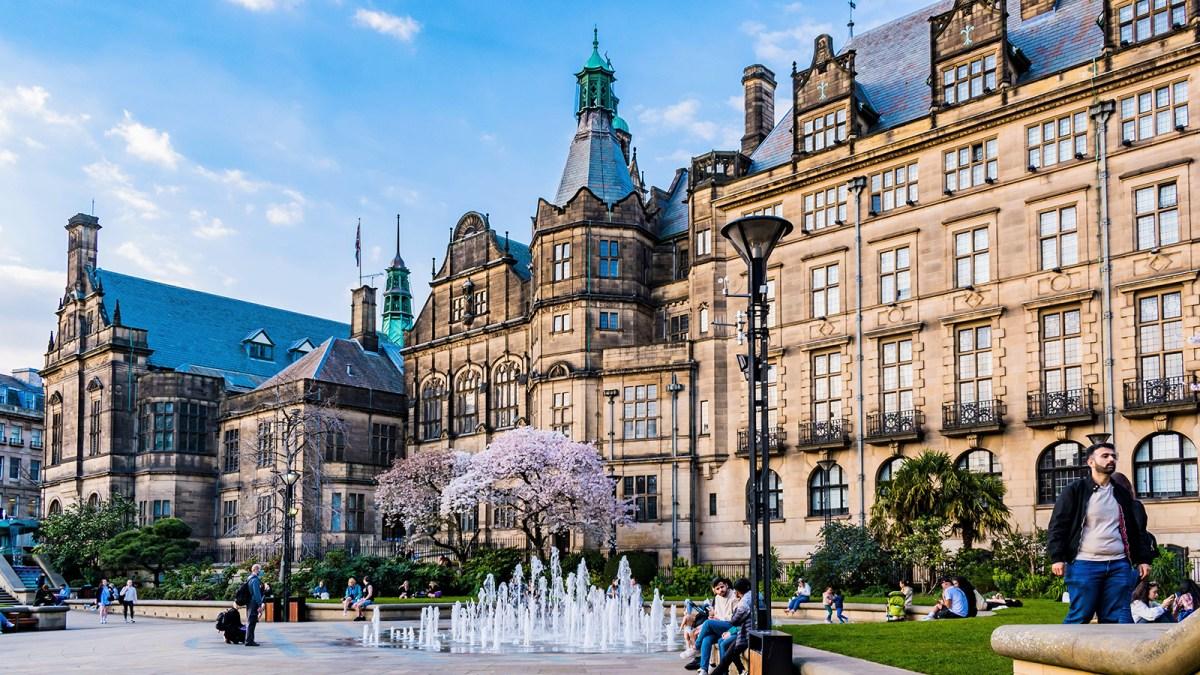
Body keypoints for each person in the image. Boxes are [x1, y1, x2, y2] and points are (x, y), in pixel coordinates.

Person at [1047, 439, 1153, 624]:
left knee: (1113, 617)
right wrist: (1057, 557)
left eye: (1113, 456)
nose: (1110, 459)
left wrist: (1143, 559)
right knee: (1081, 615)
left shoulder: (1121, 493)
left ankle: (1107, 653)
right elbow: (1058, 525)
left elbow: (1135, 530)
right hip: (1084, 564)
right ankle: (1066, 653)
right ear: (1091, 462)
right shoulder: (1075, 491)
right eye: (1105, 456)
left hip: (1118, 564)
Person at [683, 577, 736, 673]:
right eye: (717, 589)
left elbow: (734, 619)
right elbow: (717, 614)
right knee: (707, 639)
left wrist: (717, 620)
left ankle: (695, 647)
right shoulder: (717, 598)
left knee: (707, 623)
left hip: (731, 627)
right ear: (714, 590)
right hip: (721, 627)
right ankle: (703, 669)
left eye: (722, 587)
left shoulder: (734, 597)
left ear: (726, 585)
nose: (721, 590)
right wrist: (714, 618)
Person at [709, 578, 755, 675]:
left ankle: (731, 672)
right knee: (725, 646)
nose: (735, 593)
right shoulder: (752, 596)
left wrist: (730, 631)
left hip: (746, 635)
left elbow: (734, 620)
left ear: (739, 591)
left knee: (729, 650)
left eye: (736, 591)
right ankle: (740, 671)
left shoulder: (743, 603)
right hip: (746, 632)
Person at [245, 563, 264, 647]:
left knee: (250, 621)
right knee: (252, 622)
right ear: (256, 570)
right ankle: (249, 640)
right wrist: (260, 604)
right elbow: (257, 594)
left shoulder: (249, 578)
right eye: (259, 569)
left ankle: (249, 639)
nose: (260, 571)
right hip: (253, 602)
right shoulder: (255, 580)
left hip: (249, 602)